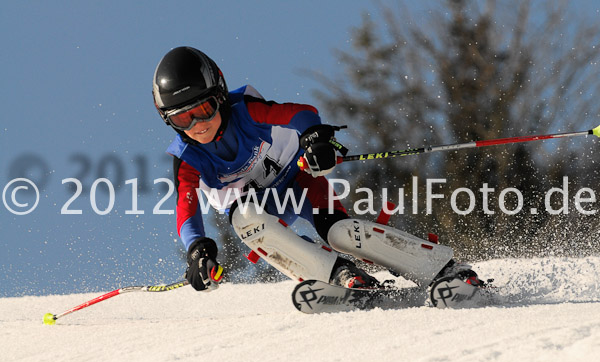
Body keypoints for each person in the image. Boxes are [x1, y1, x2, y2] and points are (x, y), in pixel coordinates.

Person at [152, 46, 482, 292]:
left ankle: (442, 267)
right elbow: (186, 208)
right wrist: (197, 251)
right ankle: (340, 275)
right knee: (245, 219)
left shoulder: (246, 113)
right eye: (182, 118)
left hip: (299, 182)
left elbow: (301, 114)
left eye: (204, 110)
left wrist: (315, 139)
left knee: (339, 232)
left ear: (220, 95)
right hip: (261, 210)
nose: (197, 124)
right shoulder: (187, 157)